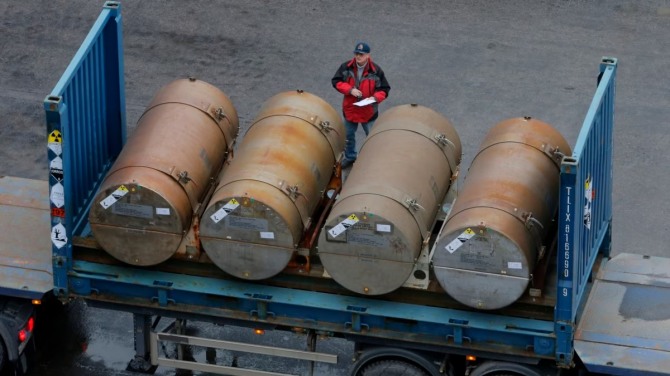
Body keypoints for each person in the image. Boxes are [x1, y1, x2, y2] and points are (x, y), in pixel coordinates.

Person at [331, 42, 390, 168]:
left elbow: (384, 90)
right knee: (348, 137)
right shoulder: (346, 67)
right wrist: (350, 90)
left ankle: (372, 160)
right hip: (351, 110)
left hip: (368, 111)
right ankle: (350, 157)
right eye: (357, 54)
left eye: (361, 54)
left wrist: (374, 98)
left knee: (372, 138)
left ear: (368, 55)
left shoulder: (376, 71)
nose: (358, 56)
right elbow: (336, 81)